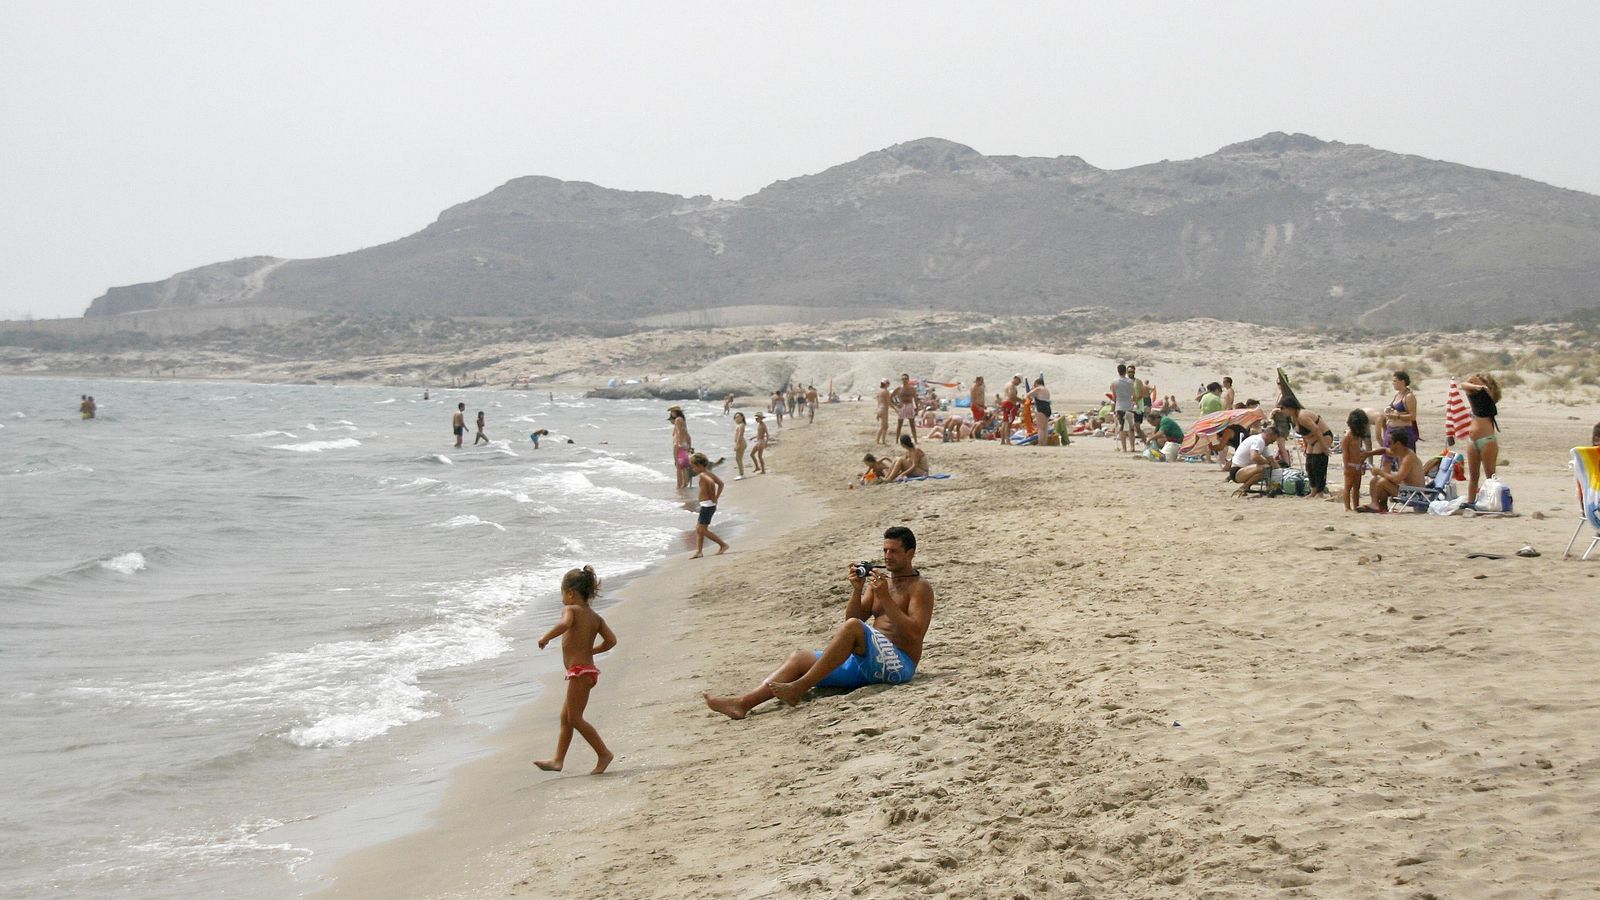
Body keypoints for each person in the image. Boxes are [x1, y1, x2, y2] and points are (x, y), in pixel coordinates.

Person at [703, 527, 934, 719]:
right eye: (884, 550)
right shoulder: (881, 584)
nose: (887, 556)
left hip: (899, 666)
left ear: (910, 553)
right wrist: (857, 590)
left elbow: (914, 634)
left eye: (894, 551)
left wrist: (885, 598)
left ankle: (799, 687)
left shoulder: (920, 588)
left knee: (853, 627)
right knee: (800, 657)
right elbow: (852, 619)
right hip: (868, 663)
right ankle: (743, 703)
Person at [534, 566, 617, 775]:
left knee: (575, 719)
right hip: (587, 671)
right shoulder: (595, 617)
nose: (562, 599)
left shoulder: (570, 610)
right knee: (566, 717)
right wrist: (592, 651)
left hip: (579, 672)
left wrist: (546, 637)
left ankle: (604, 753)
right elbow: (611, 641)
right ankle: (558, 760)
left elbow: (565, 624)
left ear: (570, 593)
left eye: (562, 593)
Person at [1278, 396, 1334, 499]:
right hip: (1311, 440)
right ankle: (1313, 490)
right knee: (1309, 465)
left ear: (1290, 407)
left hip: (1322, 436)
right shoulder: (1293, 418)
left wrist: (1325, 447)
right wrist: (1306, 445)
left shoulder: (1302, 416)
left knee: (1317, 463)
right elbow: (1303, 433)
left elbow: (1317, 430)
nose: (1281, 411)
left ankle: (1320, 492)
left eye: (1283, 408)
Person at [1461, 373, 1502, 505]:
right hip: (1472, 441)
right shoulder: (1475, 395)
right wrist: (1476, 386)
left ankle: (1493, 503)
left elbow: (1471, 381)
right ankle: (1471, 502)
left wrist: (1480, 385)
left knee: (1490, 476)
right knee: (1473, 476)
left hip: (1487, 440)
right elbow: (1464, 384)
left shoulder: (1488, 395)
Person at [1363, 430, 1423, 512]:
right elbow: (1384, 451)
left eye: (1390, 442)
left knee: (1382, 482)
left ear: (1398, 444)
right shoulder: (1401, 452)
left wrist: (1380, 472)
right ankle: (1380, 505)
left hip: (1415, 494)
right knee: (1374, 480)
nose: (1388, 444)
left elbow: (1397, 479)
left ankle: (1375, 504)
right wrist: (1368, 454)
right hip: (1407, 490)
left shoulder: (1408, 458)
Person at [688, 453, 729, 558]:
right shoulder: (709, 473)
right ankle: (699, 551)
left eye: (693, 467)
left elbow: (711, 483)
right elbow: (721, 484)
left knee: (702, 530)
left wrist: (713, 496)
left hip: (707, 505)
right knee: (699, 528)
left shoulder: (703, 475)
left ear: (699, 465)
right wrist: (716, 497)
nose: (693, 469)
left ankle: (723, 545)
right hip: (708, 504)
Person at [1229, 425, 1281, 494]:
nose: (1272, 443)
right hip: (1237, 471)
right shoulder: (1259, 440)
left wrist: (1281, 472)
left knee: (1267, 469)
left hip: (1244, 470)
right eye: (1272, 440)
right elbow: (1254, 456)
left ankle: (1268, 487)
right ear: (1269, 435)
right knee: (1266, 468)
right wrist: (1268, 463)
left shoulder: (1263, 443)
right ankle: (1244, 487)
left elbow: (1272, 461)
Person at [1379, 371, 1420, 453]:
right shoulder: (1397, 395)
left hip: (1403, 433)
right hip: (1391, 431)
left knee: (1404, 457)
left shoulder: (1409, 396)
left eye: (1395, 381)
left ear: (1402, 381)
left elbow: (1412, 416)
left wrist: (1397, 416)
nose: (1393, 383)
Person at [1342, 410, 1372, 512]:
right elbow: (1345, 453)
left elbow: (1359, 450)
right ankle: (1347, 507)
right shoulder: (1347, 437)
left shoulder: (1358, 437)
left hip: (1358, 465)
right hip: (1350, 465)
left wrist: (1362, 463)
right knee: (1348, 487)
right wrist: (1346, 466)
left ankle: (1356, 506)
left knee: (1357, 488)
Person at [1111, 364, 1136, 452]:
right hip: (1129, 406)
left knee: (1122, 427)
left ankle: (1124, 448)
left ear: (1118, 371)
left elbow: (1114, 397)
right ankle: (1132, 447)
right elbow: (1133, 394)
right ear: (1125, 371)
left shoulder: (1114, 382)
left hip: (1120, 406)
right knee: (1131, 428)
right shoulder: (1131, 382)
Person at [668, 406, 693, 490]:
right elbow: (686, 433)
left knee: (678, 466)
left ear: (675, 412)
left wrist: (678, 443)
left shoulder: (678, 420)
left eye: (671, 412)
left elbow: (679, 432)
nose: (671, 413)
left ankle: (679, 485)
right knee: (683, 466)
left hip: (678, 444)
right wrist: (689, 444)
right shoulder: (682, 420)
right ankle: (684, 484)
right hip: (683, 444)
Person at [1026, 376, 1052, 445]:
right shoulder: (1046, 389)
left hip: (1041, 407)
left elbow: (1028, 395)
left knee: (1040, 427)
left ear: (1036, 383)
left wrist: (1032, 390)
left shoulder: (1038, 388)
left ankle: (1040, 443)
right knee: (1045, 427)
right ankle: (1044, 442)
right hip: (1048, 407)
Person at [892, 374, 919, 442]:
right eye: (903, 379)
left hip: (909, 405)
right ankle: (896, 440)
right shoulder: (899, 388)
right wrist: (896, 405)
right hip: (902, 406)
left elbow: (915, 399)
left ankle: (915, 440)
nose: (904, 380)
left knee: (912, 424)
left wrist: (917, 408)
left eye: (906, 378)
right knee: (899, 424)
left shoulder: (912, 389)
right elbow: (891, 396)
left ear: (908, 379)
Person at [1000, 375, 1022, 443]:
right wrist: (1021, 400)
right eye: (1019, 381)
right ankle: (1007, 440)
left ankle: (1003, 440)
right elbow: (1012, 396)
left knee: (1004, 422)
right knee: (1008, 423)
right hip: (1009, 404)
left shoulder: (1007, 384)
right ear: (1016, 378)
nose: (1019, 383)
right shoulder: (1011, 385)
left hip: (1005, 403)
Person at [732, 412, 748, 479]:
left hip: (741, 443)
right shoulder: (740, 425)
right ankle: (741, 474)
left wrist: (737, 444)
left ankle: (741, 474)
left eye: (738, 417)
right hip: (741, 442)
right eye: (736, 417)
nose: (736, 418)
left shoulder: (741, 425)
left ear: (742, 417)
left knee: (738, 459)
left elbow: (740, 435)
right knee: (738, 459)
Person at [875, 380, 891, 445]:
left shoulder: (879, 391)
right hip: (884, 409)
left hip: (879, 409)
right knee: (883, 426)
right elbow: (888, 402)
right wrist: (895, 408)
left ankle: (883, 441)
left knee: (885, 426)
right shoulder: (886, 391)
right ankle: (878, 441)